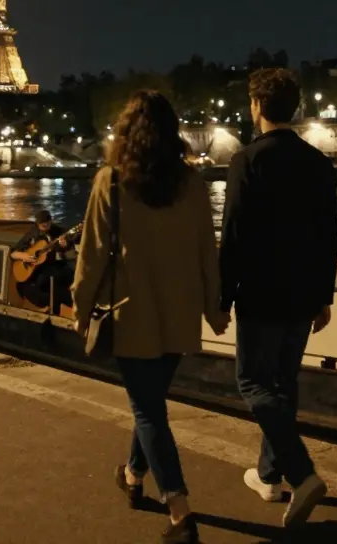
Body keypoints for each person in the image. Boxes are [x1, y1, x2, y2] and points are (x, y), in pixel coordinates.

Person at [72, 90, 229, 544]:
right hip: (178, 316)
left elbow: (93, 253)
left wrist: (80, 307)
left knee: (147, 409)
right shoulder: (193, 185)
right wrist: (214, 309)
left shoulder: (113, 181)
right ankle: (133, 474)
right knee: (151, 403)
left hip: (132, 314)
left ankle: (180, 511)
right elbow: (207, 253)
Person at [220, 68, 337, 528]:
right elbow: (330, 236)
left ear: (255, 106)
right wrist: (323, 296)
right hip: (302, 295)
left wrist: (222, 296)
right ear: (296, 108)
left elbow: (233, 236)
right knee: (283, 385)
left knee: (252, 383)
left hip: (261, 293)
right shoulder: (318, 163)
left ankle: (302, 472)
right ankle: (269, 477)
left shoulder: (247, 161)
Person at [12, 210, 68, 311]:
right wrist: (23, 256)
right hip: (36, 268)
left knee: (43, 281)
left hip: (52, 266)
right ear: (37, 223)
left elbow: (67, 244)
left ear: (51, 221)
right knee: (20, 285)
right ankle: (44, 305)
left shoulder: (58, 231)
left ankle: (52, 305)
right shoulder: (33, 233)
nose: (44, 224)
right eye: (41, 223)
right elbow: (13, 253)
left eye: (47, 222)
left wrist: (64, 245)